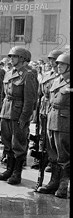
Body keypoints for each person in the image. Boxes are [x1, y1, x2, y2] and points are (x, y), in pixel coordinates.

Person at [0, 47, 38, 185]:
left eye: (14, 56)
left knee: (18, 144)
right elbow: (3, 94)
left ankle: (16, 173)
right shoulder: (8, 73)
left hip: (18, 113)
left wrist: (24, 118)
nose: (11, 59)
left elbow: (30, 99)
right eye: (11, 56)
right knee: (7, 143)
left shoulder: (28, 74)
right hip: (6, 112)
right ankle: (9, 169)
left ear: (23, 59)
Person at [39, 52, 69, 198]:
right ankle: (53, 182)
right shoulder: (57, 80)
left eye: (62, 64)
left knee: (64, 154)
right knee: (53, 153)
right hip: (52, 119)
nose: (59, 66)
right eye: (58, 64)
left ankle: (63, 185)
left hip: (65, 122)